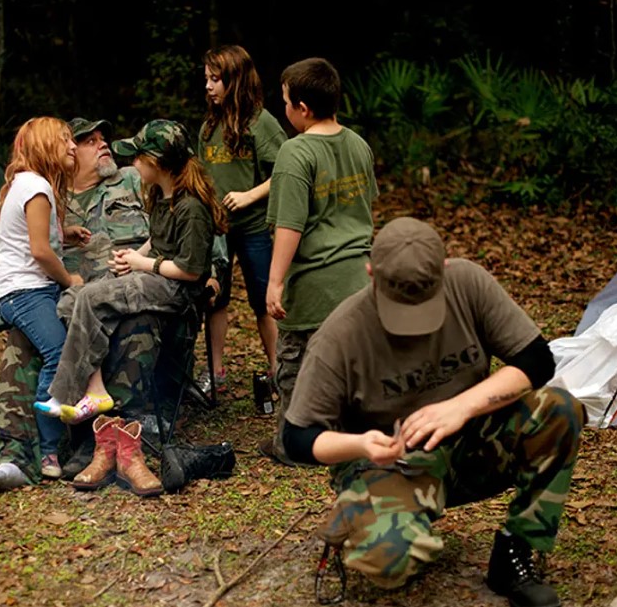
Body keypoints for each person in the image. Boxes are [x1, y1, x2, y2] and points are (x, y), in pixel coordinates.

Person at [282, 217, 585, 607]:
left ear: (445, 268)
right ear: (370, 273)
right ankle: (364, 511)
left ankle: (515, 553)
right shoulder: (340, 335)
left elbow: (537, 360)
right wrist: (361, 445)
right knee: (387, 563)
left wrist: (460, 407)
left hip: (471, 443)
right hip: (392, 464)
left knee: (559, 410)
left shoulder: (468, 283)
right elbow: (297, 437)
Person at [0, 117, 175, 493]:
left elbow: (180, 214)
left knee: (127, 326)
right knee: (24, 341)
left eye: (101, 137)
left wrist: (214, 267)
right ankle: (18, 456)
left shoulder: (134, 180)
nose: (100, 143)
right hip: (67, 300)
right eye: (85, 140)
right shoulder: (51, 195)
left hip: (129, 295)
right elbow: (26, 249)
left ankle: (100, 441)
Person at [43, 119, 227, 496]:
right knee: (72, 299)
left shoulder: (191, 207)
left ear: (155, 162)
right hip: (156, 279)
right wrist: (135, 255)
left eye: (138, 158)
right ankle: (91, 394)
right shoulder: (161, 196)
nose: (132, 165)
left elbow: (191, 270)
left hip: (175, 292)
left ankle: (63, 395)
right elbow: (156, 242)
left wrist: (142, 265)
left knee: (93, 297)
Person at [262, 57, 378, 465]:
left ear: (304, 109)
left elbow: (289, 227)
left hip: (314, 284)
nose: (285, 111)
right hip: (359, 282)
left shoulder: (296, 153)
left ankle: (295, 445)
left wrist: (274, 283)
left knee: (296, 366)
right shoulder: (358, 144)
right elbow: (365, 207)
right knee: (350, 365)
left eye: (287, 103)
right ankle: (349, 439)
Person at [0, 116, 82, 480]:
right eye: (65, 140)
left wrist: (68, 235)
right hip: (26, 292)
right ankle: (48, 452)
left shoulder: (25, 183)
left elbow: (36, 239)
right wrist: (70, 279)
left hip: (22, 290)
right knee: (59, 353)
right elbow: (41, 253)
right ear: (46, 145)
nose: (73, 147)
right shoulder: (38, 187)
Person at [196, 45, 287, 392]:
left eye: (215, 79)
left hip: (254, 229)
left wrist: (250, 195)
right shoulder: (209, 126)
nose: (208, 86)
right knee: (214, 299)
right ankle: (216, 373)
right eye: (206, 79)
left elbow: (286, 171)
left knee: (265, 300)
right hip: (217, 230)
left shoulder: (261, 123)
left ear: (235, 80)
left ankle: (279, 372)